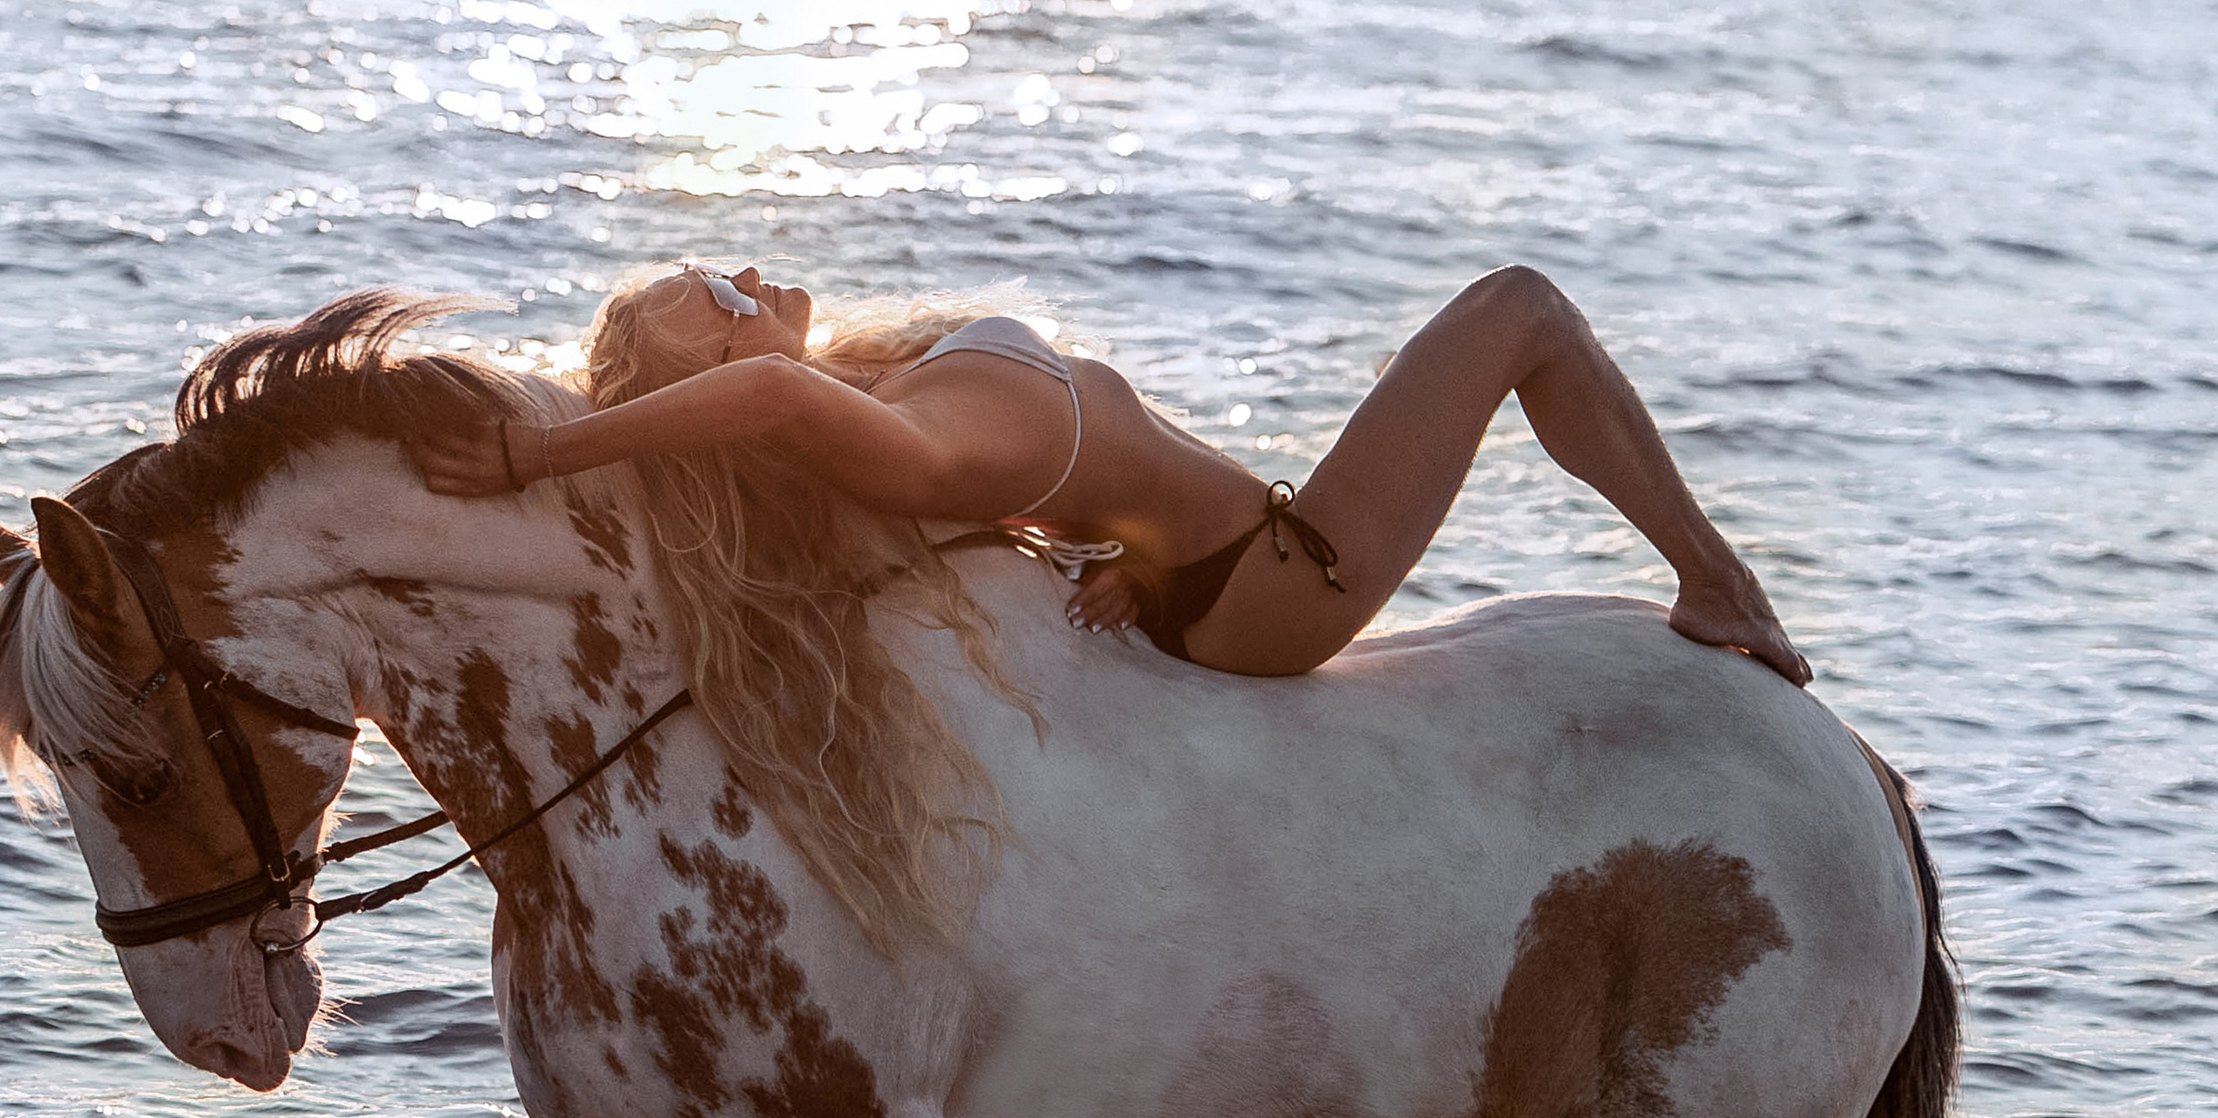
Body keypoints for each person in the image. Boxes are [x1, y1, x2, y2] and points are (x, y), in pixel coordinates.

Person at [411, 262, 1809, 687]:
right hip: (1277, 578)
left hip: (1209, 573)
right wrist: (541, 447)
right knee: (1523, 314)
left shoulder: (880, 400)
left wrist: (1106, 564)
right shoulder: (856, 424)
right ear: (706, 388)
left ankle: (1716, 575)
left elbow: (1014, 503)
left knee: (1523, 315)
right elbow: (767, 393)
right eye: (710, 295)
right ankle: (1720, 581)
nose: (749, 279)